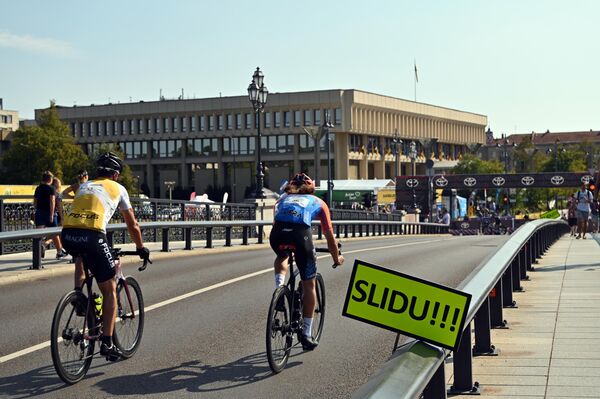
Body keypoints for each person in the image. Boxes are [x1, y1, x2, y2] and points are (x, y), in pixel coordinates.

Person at [61, 153, 150, 361]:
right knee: (109, 290)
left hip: (68, 234)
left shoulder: (85, 185)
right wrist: (141, 247)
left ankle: (78, 296)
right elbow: (132, 224)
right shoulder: (119, 189)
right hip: (93, 236)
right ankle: (108, 342)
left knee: (81, 257)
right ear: (116, 174)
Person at [269, 173, 344, 350]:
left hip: (277, 235)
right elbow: (329, 237)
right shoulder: (318, 202)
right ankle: (306, 334)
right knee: (309, 284)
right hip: (300, 236)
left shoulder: (281, 200)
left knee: (282, 255)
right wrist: (336, 257)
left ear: (290, 187)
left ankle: (279, 288)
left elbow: (277, 222)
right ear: (312, 189)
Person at [34, 171, 68, 259]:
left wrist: (36, 210)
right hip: (49, 213)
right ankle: (59, 252)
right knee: (55, 233)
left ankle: (38, 252)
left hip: (39, 212)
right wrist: (52, 215)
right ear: (50, 179)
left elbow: (35, 201)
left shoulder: (38, 188)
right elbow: (52, 201)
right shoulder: (51, 188)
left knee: (38, 234)